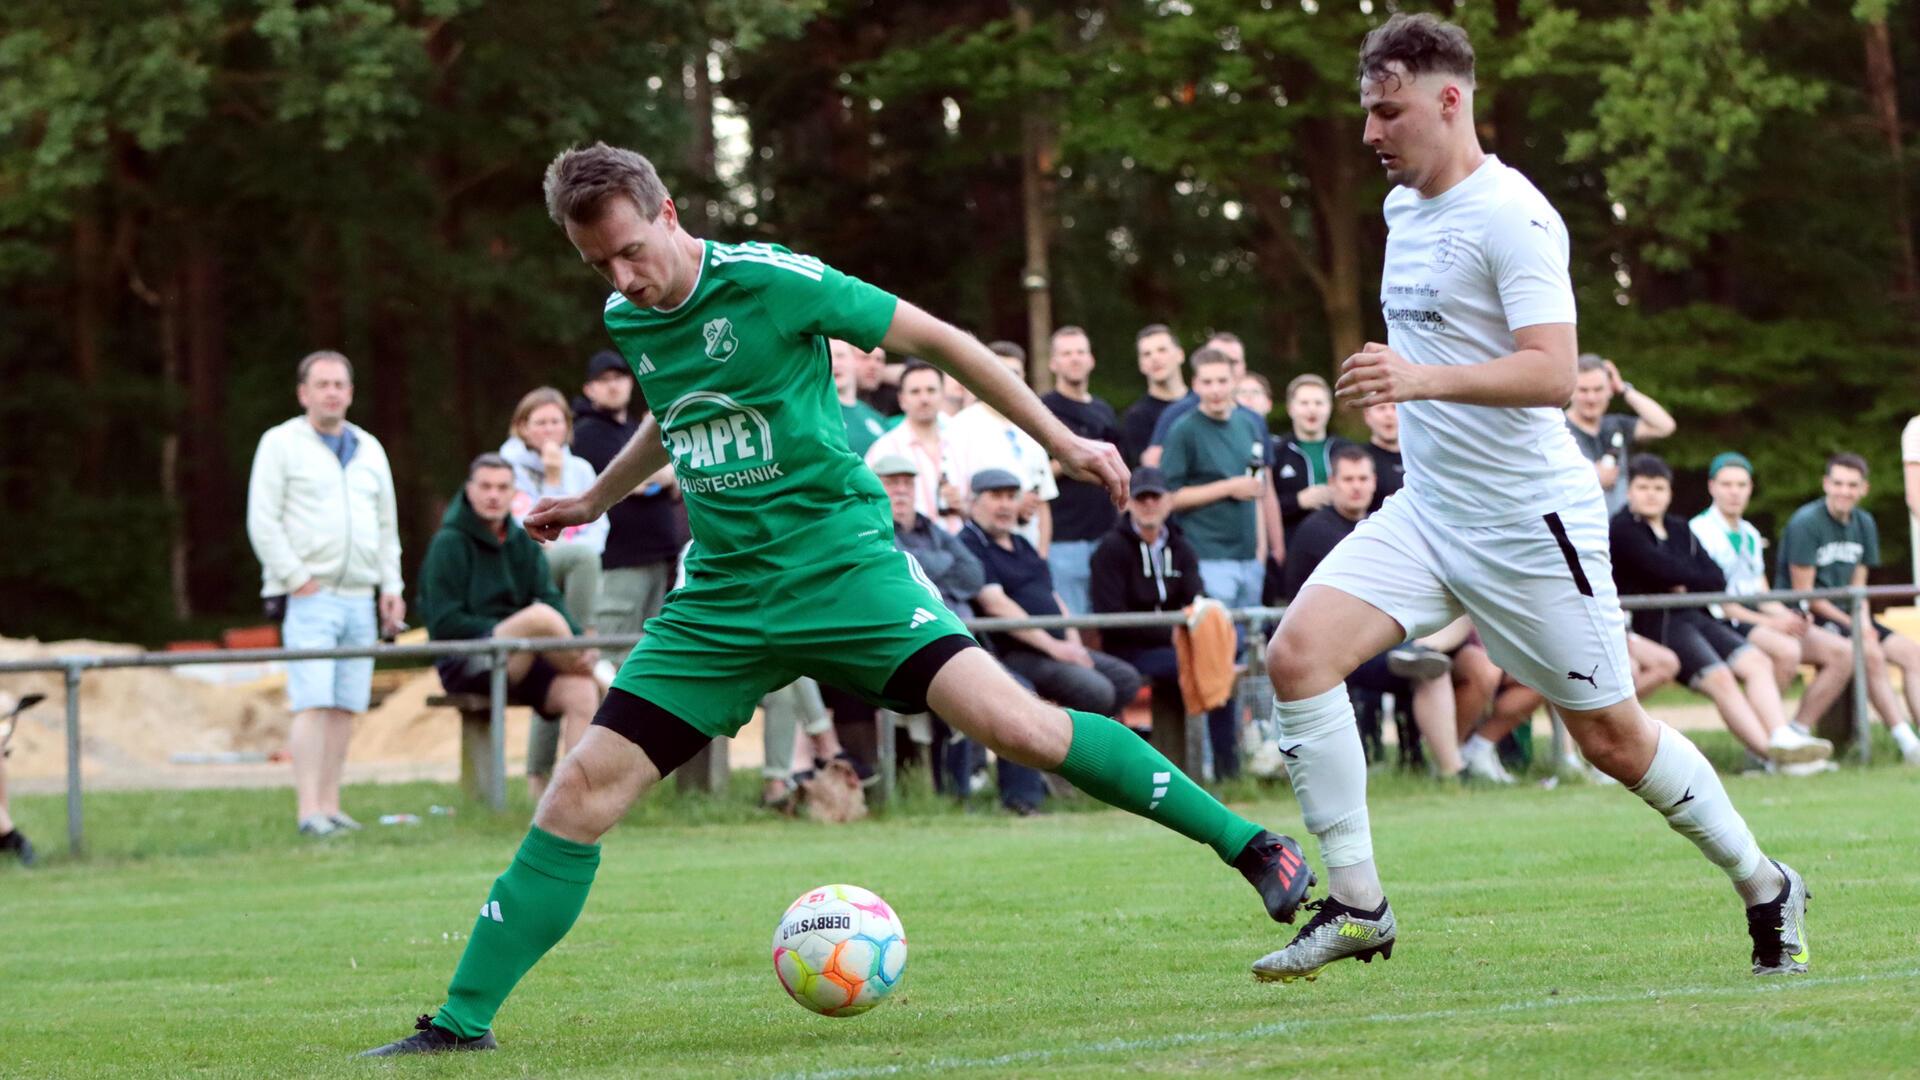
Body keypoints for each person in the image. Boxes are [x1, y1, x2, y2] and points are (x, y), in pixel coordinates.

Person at [363, 142, 1315, 1056]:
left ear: (670, 213)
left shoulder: (776, 281)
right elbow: (676, 401)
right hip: (724, 600)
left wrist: (1060, 442)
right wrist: (597, 498)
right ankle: (459, 1021)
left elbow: (935, 340)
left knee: (1019, 726)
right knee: (579, 791)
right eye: (596, 264)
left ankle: (1249, 845)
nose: (620, 279)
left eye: (630, 252)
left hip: (844, 571)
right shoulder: (631, 319)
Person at [1255, 15, 1805, 986]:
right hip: (1429, 513)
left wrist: (1419, 380)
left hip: (1528, 522)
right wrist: (1417, 396)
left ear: (1449, 99)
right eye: (1366, 114)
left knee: (1613, 738)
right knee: (1296, 657)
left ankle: (1765, 884)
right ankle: (1358, 906)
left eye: (1388, 112)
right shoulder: (1398, 212)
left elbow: (1554, 375)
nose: (1372, 134)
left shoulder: (1515, 216)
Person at [245, 350, 405, 838]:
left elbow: (386, 525)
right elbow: (262, 520)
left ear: (351, 393)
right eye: (323, 384)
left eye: (340, 384)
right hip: (309, 595)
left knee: (345, 705)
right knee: (312, 702)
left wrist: (391, 586)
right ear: (304, 393)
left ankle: (332, 807)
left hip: (361, 594)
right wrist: (298, 580)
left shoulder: (370, 448)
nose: (332, 392)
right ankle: (308, 811)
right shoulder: (280, 443)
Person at [1610, 455, 1832, 769]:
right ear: (1629, 491)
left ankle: (1781, 736)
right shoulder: (1622, 528)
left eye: (1658, 487)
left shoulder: (1678, 528)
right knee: (1721, 678)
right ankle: (1773, 758)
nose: (1651, 494)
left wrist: (1681, 579)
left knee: (1756, 661)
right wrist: (1683, 577)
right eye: (1643, 487)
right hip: (1655, 624)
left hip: (1695, 616)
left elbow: (1715, 577)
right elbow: (1660, 569)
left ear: (1669, 492)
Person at [417, 455, 604, 802]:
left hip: (523, 656)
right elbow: (443, 624)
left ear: (513, 493)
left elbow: (550, 594)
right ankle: (606, 679)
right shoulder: (448, 543)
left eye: (502, 487)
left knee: (581, 691)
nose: (493, 495)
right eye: (485, 486)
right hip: (468, 659)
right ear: (469, 490)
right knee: (539, 618)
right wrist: (506, 630)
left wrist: (571, 636)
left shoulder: (520, 541)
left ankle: (571, 801)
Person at [1280, 445, 1466, 781]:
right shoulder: (1317, 531)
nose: (1356, 486)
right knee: (1431, 671)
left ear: (1374, 481)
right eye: (1348, 479)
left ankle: (1459, 753)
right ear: (1332, 483)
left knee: (1467, 656)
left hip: (1388, 636)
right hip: (1333, 649)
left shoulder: (1382, 526)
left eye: (1363, 478)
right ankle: (1453, 771)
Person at [875, 453, 1041, 808]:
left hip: (962, 641)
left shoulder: (931, 528)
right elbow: (900, 578)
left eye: (906, 482)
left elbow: (973, 574)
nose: (900, 490)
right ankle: (957, 798)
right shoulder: (873, 530)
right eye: (892, 483)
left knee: (1020, 692)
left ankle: (1023, 802)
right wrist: (937, 567)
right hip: (915, 645)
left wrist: (925, 569)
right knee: (964, 697)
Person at [1690, 453, 1854, 752]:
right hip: (1720, 620)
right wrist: (1774, 622)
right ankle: (1765, 744)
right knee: (1787, 650)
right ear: (1712, 487)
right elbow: (1721, 604)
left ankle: (1796, 730)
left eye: (1741, 484)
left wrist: (1790, 616)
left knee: (1841, 652)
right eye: (1727, 484)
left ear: (1750, 488)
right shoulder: (1698, 531)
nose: (1734, 491)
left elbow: (1761, 592)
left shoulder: (1750, 533)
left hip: (1751, 616)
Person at [960, 469, 1144, 733]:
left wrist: (1072, 644)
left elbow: (1052, 595)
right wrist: (1055, 648)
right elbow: (995, 604)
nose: (1004, 505)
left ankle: (1081, 753)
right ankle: (1071, 756)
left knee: (1125, 679)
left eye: (1011, 497)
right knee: (1097, 690)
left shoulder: (1022, 543)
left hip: (1055, 646)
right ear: (974, 502)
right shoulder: (970, 544)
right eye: (995, 496)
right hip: (1013, 652)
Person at [1086, 466, 1242, 776]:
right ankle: (1194, 770)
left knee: (1220, 664)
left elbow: (1196, 596)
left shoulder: (1181, 547)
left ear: (1168, 501)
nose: (1149, 505)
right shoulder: (1111, 550)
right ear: (1128, 503)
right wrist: (1171, 632)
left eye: (1155, 498)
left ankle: (1226, 771)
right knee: (1200, 665)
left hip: (1176, 645)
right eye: (1141, 498)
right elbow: (1111, 615)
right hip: (1128, 650)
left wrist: (1190, 630)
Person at [1777, 453, 1920, 765]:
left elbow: (1859, 585)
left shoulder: (1864, 522)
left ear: (1863, 489)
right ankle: (1906, 741)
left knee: (1912, 654)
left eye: (1852, 485)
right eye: (1838, 483)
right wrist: (1855, 626)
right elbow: (1805, 594)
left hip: (1848, 610)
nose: (1845, 491)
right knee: (1869, 654)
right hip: (1810, 614)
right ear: (1826, 484)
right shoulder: (1806, 522)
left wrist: (1864, 622)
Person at [571, 350, 686, 640]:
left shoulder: (634, 430)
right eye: (603, 379)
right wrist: (665, 472)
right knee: (614, 654)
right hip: (620, 562)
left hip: (659, 560)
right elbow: (631, 481)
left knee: (652, 653)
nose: (613, 385)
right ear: (589, 389)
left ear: (631, 382)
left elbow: (676, 479)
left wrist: (665, 475)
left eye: (620, 377)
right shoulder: (587, 432)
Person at [499, 387, 607, 636]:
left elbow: (599, 526)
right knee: (582, 558)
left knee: (585, 558)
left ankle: (580, 643)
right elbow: (532, 530)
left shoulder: (581, 469)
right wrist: (552, 479)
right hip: (525, 563)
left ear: (567, 427)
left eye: (555, 422)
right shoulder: (505, 468)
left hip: (580, 567)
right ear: (522, 427)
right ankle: (581, 641)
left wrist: (578, 551)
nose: (548, 429)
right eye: (540, 422)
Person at [1041, 326, 1125, 617]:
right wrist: (1072, 456)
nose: (1074, 359)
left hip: (1106, 533)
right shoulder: (1043, 410)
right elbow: (1035, 475)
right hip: (1064, 539)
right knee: (1073, 623)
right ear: (1053, 363)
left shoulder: (1104, 410)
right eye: (1066, 353)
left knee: (1109, 626)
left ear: (1091, 359)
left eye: (1080, 352)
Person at [945, 341, 1058, 552]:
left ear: (1024, 378)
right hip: (980, 553)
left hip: (1027, 554)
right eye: (1001, 372)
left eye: (1015, 373)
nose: (1008, 379)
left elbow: (1042, 504)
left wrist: (1041, 558)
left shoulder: (1034, 428)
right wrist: (1014, 506)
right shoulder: (961, 426)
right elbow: (954, 500)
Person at [1565, 353, 1676, 515]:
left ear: (1609, 390)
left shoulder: (1616, 425)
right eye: (1583, 390)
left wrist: (1623, 389)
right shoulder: (1558, 429)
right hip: (1577, 528)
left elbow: (1664, 426)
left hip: (1620, 530)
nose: (1591, 398)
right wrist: (1590, 478)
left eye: (1598, 389)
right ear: (1571, 390)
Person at [865, 359, 963, 531]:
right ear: (902, 400)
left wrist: (963, 506)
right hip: (909, 549)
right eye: (915, 392)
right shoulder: (883, 449)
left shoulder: (962, 441)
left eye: (931, 390)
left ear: (942, 395)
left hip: (963, 549)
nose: (924, 399)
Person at [1120, 324, 1189, 467]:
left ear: (1180, 355)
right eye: (1147, 354)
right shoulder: (1136, 417)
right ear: (1141, 365)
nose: (1155, 358)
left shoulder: (1204, 403)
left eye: (1162, 350)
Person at [832, 338, 891, 458]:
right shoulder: (816, 414)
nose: (835, 364)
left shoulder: (876, 418)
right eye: (828, 357)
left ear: (854, 361)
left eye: (840, 356)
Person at [1361, 400, 1406, 511]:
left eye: (1395, 407)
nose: (1389, 414)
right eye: (1381, 408)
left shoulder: (1420, 458)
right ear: (1367, 415)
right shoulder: (1357, 460)